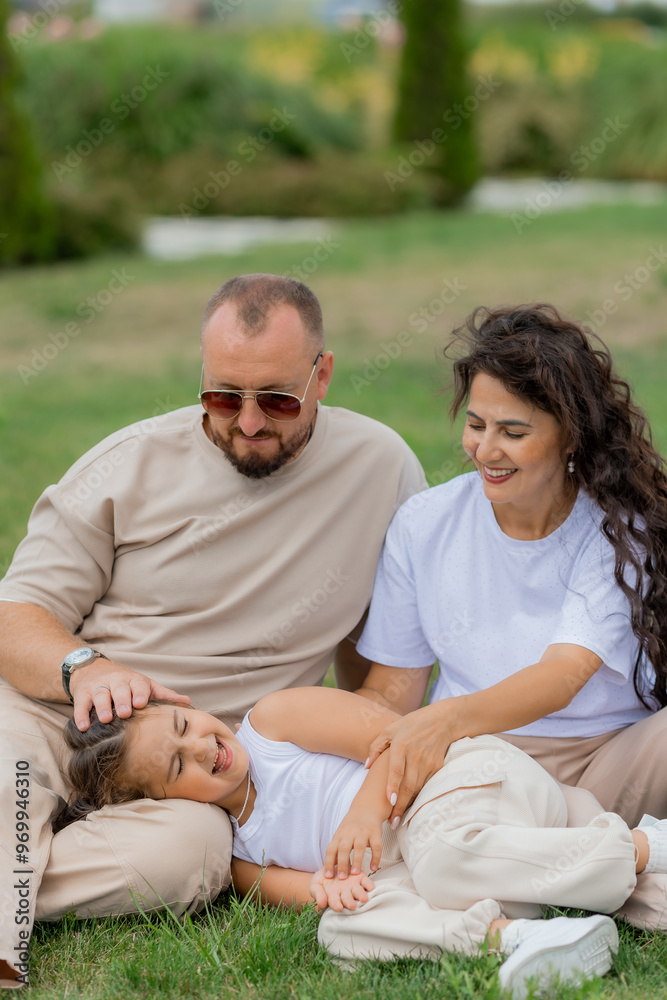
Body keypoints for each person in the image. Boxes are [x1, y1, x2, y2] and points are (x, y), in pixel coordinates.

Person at [0, 273, 426, 987]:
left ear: (322, 375)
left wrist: (362, 747)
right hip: (58, 711)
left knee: (195, 860)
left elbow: (390, 670)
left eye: (277, 400)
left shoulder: (381, 470)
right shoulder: (127, 464)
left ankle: (18, 863)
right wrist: (87, 668)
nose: (250, 421)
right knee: (8, 783)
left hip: (197, 768)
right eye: (224, 396)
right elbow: (15, 617)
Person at [55, 685, 667, 998]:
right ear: (165, 806)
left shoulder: (273, 724)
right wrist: (335, 890)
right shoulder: (240, 858)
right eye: (177, 766)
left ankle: (639, 850)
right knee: (342, 932)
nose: (203, 749)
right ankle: (521, 937)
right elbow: (316, 893)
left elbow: (401, 740)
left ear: (184, 705)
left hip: (455, 784)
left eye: (186, 727)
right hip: (441, 868)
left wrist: (365, 815)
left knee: (444, 858)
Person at [350, 303, 667, 839]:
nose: (485, 449)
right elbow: (392, 694)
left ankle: (581, 847)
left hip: (608, 761)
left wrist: (445, 720)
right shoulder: (424, 524)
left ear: (570, 436)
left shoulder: (619, 528)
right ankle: (593, 851)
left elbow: (563, 675)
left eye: (513, 433)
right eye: (476, 424)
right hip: (481, 767)